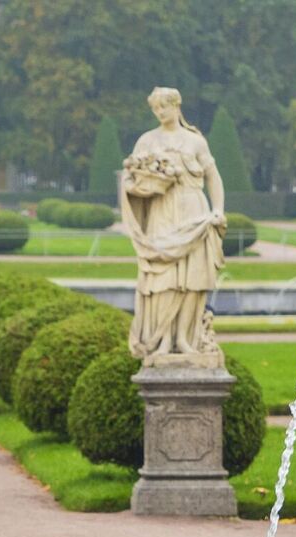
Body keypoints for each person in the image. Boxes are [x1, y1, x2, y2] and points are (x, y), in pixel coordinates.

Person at [119, 86, 226, 363]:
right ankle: (163, 339)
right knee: (164, 280)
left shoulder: (195, 141)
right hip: (162, 213)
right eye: (155, 109)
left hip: (193, 211)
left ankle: (185, 339)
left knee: (193, 280)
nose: (158, 113)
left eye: (162, 108)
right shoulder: (147, 141)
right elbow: (130, 180)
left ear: (176, 106)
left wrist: (218, 209)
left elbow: (213, 176)